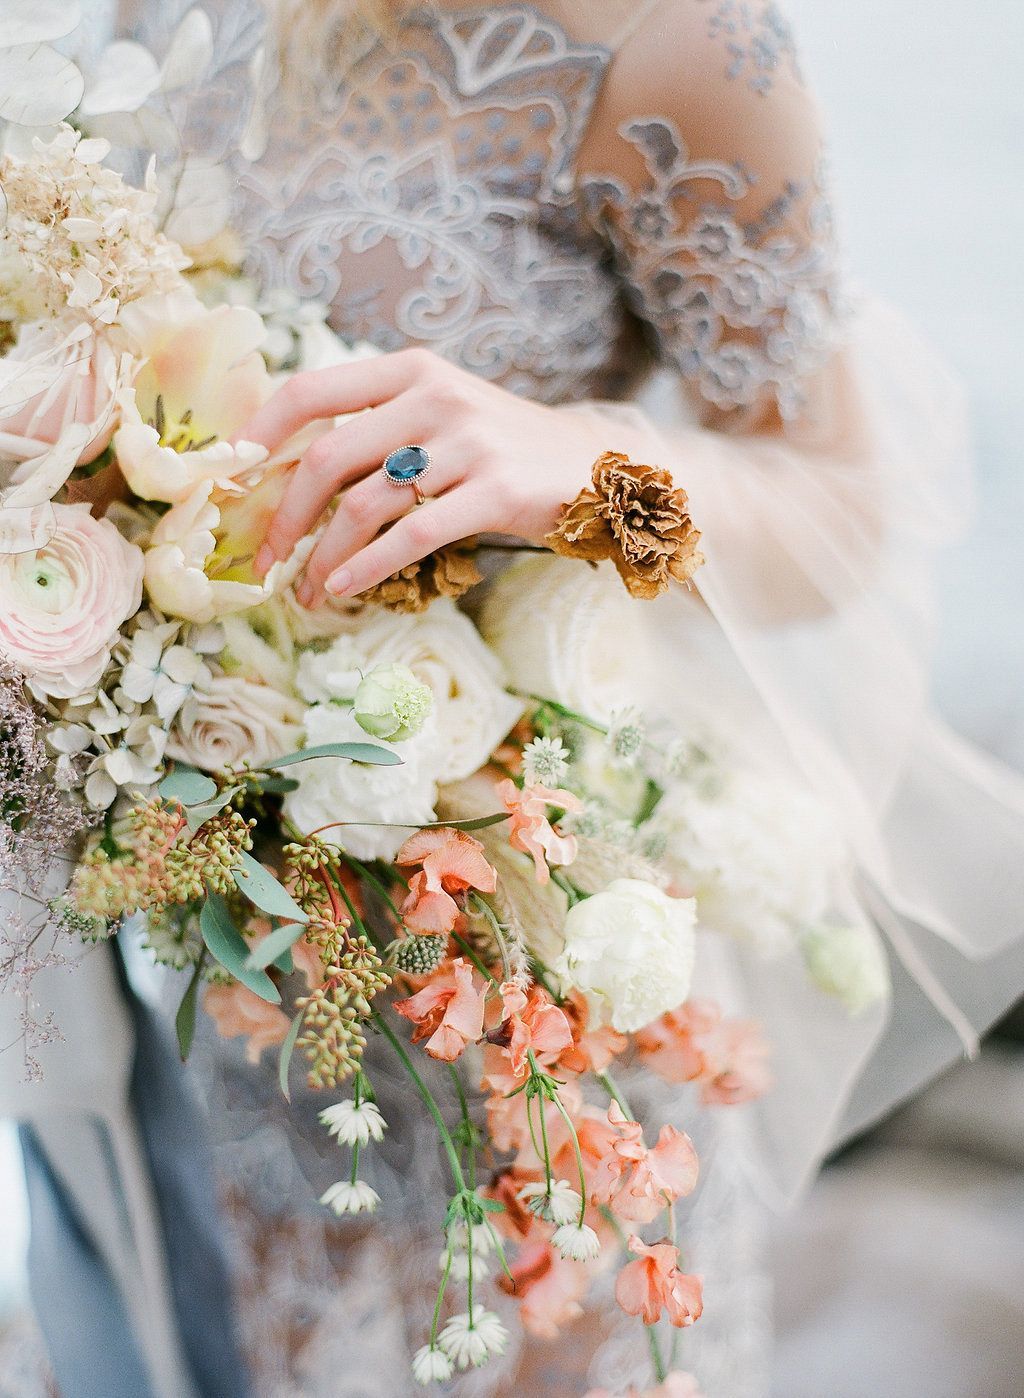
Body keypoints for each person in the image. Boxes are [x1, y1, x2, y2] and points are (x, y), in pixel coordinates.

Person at [14, 0, 1024, 1393]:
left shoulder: (679, 46)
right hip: (150, 943)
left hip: (478, 995)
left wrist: (587, 465)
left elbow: (847, 502)